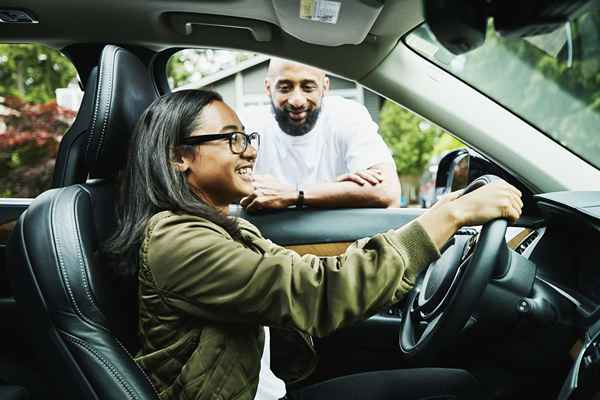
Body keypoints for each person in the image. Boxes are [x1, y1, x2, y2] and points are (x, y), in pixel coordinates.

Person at [106, 90, 523, 400]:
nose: (250, 150)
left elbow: (303, 272)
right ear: (180, 157)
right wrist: (447, 218)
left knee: (450, 385)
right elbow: (316, 292)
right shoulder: (178, 240)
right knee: (452, 390)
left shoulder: (219, 226)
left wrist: (434, 222)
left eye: (248, 137)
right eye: (233, 139)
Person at [240, 59, 402, 211]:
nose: (297, 101)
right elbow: (226, 189)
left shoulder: (347, 115)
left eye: (308, 87)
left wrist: (293, 194)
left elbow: (388, 191)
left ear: (325, 87)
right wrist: (339, 190)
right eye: (285, 88)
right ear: (268, 88)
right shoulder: (250, 125)